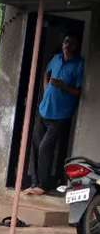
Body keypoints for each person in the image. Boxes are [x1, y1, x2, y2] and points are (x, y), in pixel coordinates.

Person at [26, 34, 84, 196]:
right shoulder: (56, 58)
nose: (67, 45)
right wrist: (46, 90)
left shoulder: (79, 64)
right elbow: (46, 73)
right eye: (66, 41)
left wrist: (63, 86)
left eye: (71, 43)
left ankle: (44, 185)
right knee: (36, 145)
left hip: (60, 115)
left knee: (45, 148)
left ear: (76, 46)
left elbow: (78, 92)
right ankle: (34, 183)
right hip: (44, 110)